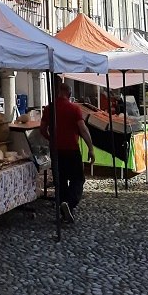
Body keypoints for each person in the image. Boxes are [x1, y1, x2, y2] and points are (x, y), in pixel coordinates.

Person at [40, 82, 95, 224]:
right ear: (69, 94)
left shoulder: (48, 108)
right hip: (71, 149)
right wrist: (91, 148)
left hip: (56, 150)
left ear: (59, 92)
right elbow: (83, 130)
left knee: (61, 180)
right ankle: (69, 204)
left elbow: (42, 129)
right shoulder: (74, 109)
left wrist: (51, 138)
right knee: (78, 179)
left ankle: (63, 205)